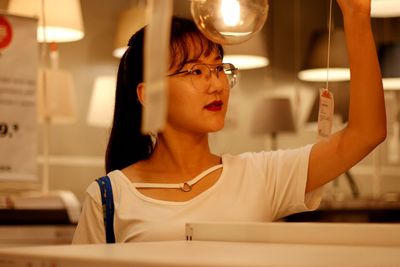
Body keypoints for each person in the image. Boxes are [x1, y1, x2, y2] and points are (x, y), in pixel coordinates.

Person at [72, 0, 386, 244]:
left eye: (219, 68)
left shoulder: (259, 176)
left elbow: (365, 133)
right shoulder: (109, 198)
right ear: (149, 94)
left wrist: (357, 16)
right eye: (196, 71)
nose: (216, 84)